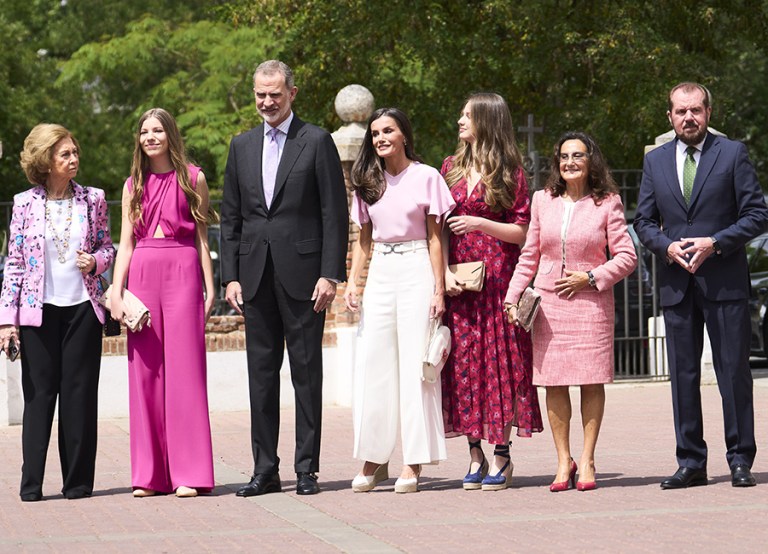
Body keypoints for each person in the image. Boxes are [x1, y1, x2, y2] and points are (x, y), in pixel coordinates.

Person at [221, 60, 348, 497]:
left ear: (292, 93)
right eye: (260, 93)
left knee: (306, 373)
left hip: (305, 277)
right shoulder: (240, 146)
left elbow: (335, 212)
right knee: (261, 375)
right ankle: (265, 469)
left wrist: (331, 273)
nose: (267, 101)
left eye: (275, 93)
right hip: (255, 278)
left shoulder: (316, 141)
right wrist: (230, 277)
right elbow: (232, 217)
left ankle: (307, 469)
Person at [634, 82, 768, 489]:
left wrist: (716, 242)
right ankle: (691, 461)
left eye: (695, 110)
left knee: (733, 375)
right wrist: (666, 246)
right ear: (669, 117)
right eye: (680, 111)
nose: (688, 118)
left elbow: (757, 214)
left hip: (724, 281)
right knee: (683, 375)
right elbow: (642, 221)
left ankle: (740, 459)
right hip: (677, 284)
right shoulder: (655, 162)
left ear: (709, 112)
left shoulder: (732, 154)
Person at [505, 132, 636, 492]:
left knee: (591, 381)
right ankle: (564, 460)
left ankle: (588, 457)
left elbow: (627, 256)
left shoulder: (607, 202)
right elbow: (528, 256)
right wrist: (511, 298)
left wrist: (591, 277)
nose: (570, 162)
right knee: (554, 383)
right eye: (564, 156)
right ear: (557, 163)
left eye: (578, 155)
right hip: (549, 305)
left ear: (591, 160)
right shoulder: (542, 201)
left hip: (591, 304)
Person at [0, 124, 114, 501]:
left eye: (75, 152)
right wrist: (7, 320)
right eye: (65, 154)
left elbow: (108, 249)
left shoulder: (93, 199)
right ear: (46, 160)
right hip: (38, 312)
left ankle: (78, 484)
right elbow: (14, 263)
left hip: (83, 309)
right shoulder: (23, 203)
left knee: (79, 397)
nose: (74, 159)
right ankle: (31, 484)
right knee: (39, 397)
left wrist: (94, 261)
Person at [345, 107, 453, 493]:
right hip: (381, 272)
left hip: (416, 268)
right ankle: (374, 459)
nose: (380, 138)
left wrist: (439, 289)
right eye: (375, 133)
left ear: (404, 134)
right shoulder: (367, 181)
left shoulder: (427, 177)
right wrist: (353, 283)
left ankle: (414, 460)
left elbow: (437, 238)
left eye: (387, 130)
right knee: (374, 364)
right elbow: (362, 238)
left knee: (415, 366)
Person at [110, 108, 216, 498]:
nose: (150, 137)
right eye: (144, 131)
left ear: (170, 134)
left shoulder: (194, 177)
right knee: (145, 374)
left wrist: (210, 287)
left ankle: (190, 473)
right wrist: (117, 292)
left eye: (157, 130)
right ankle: (150, 476)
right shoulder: (131, 185)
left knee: (186, 372)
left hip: (183, 270)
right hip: (142, 273)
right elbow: (126, 243)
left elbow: (203, 237)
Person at [441, 93, 543, 492]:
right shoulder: (448, 168)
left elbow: (522, 231)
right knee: (465, 365)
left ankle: (502, 452)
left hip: (499, 277)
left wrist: (478, 224)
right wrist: (442, 275)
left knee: (499, 364)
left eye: (467, 115)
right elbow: (438, 227)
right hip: (461, 281)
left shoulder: (510, 172)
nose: (460, 120)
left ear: (487, 120)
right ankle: (474, 453)